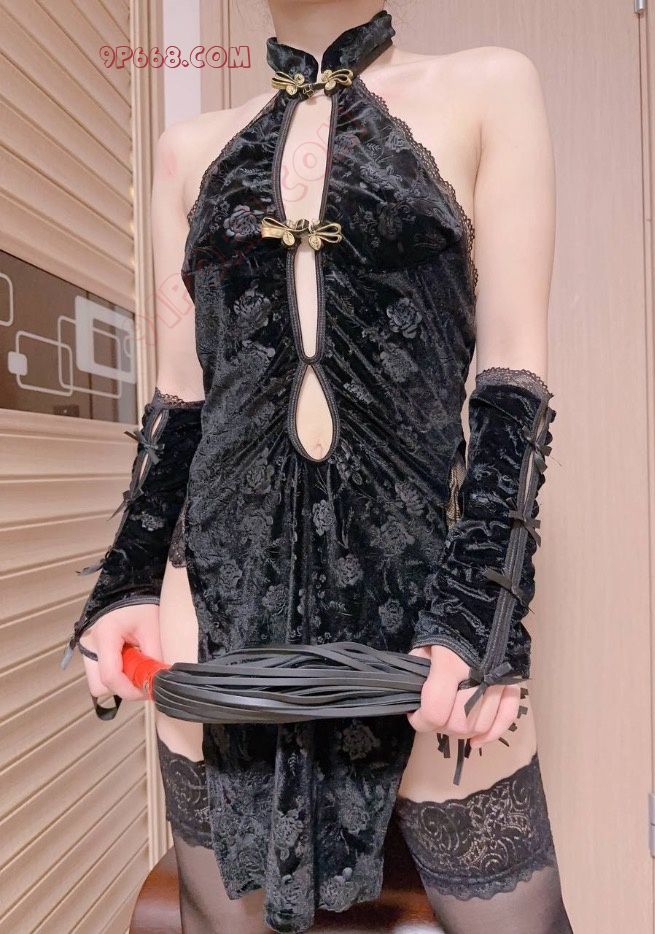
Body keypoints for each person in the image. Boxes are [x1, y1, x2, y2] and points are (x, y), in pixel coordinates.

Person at [61, 2, 574, 932]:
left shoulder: (489, 89)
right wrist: (127, 583)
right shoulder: (187, 151)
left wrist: (477, 612)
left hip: (425, 612)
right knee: (224, 919)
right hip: (215, 608)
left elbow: (511, 379)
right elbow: (183, 403)